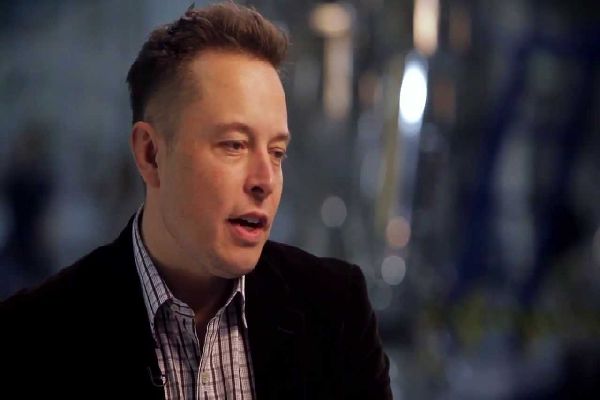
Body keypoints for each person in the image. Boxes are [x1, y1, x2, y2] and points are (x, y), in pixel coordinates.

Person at [0, 3, 391, 399]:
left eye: (277, 152)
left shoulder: (336, 309)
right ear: (151, 154)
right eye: (234, 145)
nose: (265, 181)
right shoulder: (31, 337)